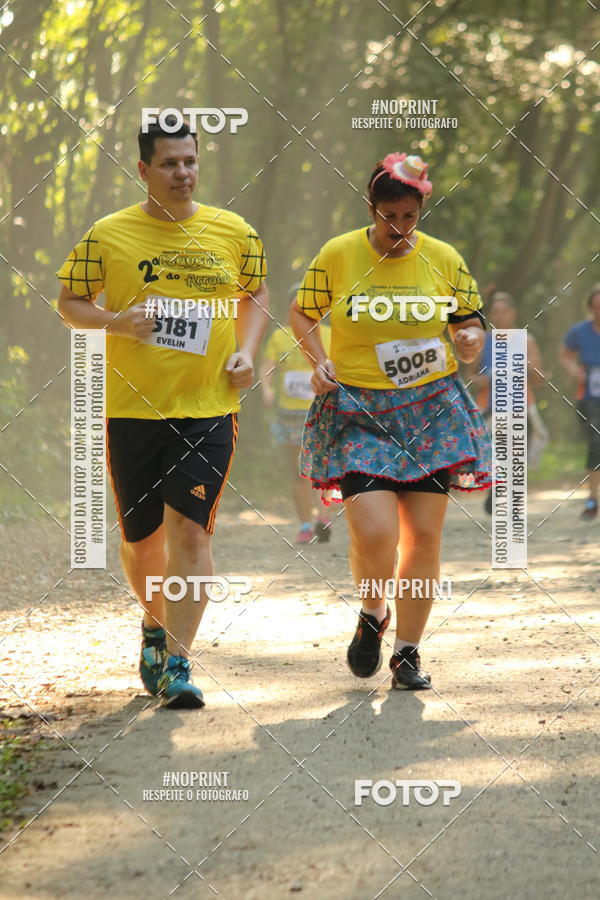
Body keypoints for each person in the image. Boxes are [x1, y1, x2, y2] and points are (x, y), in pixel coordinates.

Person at [56, 115, 269, 708]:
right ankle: (153, 622)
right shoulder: (108, 235)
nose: (183, 173)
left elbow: (256, 294)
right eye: (170, 164)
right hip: (130, 411)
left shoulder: (234, 232)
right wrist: (114, 321)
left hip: (207, 408)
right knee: (141, 542)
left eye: (191, 161)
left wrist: (247, 353)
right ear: (145, 169)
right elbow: (69, 301)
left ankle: (179, 662)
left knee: (191, 535)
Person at [290, 152, 491, 690]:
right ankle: (373, 610)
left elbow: (467, 321)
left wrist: (470, 337)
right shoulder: (339, 254)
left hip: (431, 410)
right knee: (375, 533)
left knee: (424, 537)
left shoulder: (443, 258)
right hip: (359, 408)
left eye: (409, 217)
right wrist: (319, 360)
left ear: (421, 211)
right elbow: (302, 313)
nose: (399, 228)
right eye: (389, 216)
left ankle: (407, 654)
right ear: (372, 209)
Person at [260, 287, 332, 543]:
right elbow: (267, 368)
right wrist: (266, 390)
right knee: (298, 470)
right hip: (289, 413)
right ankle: (305, 524)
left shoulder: (331, 335)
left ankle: (322, 518)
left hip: (324, 412)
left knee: (324, 467)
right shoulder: (280, 338)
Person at [469, 291, 550, 514]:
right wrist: (484, 379)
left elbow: (539, 376)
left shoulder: (526, 340)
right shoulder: (483, 341)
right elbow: (469, 375)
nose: (501, 316)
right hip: (490, 408)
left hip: (520, 406)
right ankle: (496, 488)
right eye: (495, 311)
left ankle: (512, 501)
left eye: (505, 311)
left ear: (513, 313)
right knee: (495, 452)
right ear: (490, 315)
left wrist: (531, 370)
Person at [560, 284, 600, 520]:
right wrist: (574, 370)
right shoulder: (579, 331)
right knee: (596, 443)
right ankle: (593, 499)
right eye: (596, 307)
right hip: (589, 397)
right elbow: (565, 355)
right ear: (590, 308)